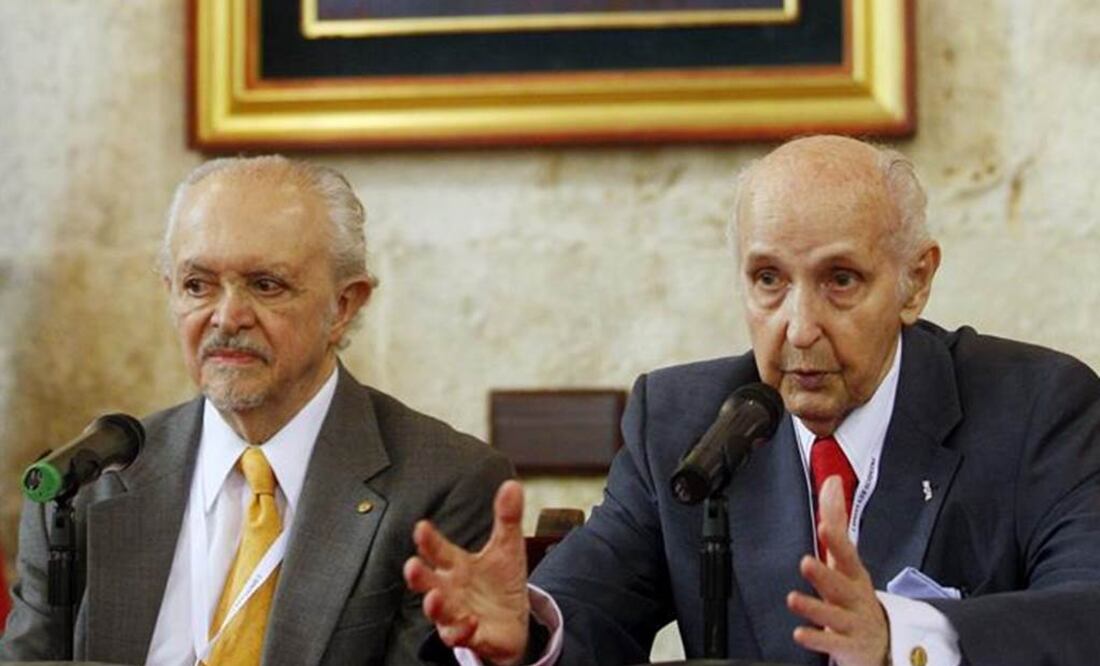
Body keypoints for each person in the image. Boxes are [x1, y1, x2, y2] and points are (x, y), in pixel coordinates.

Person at [405, 135, 1100, 665]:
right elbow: (594, 602)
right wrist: (524, 632)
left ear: (915, 283)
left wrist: (900, 638)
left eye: (841, 280)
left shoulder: (1036, 407)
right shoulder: (683, 420)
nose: (799, 328)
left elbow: (1086, 616)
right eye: (769, 279)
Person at [0, 156, 513, 665]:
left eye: (266, 285)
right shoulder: (86, 487)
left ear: (343, 306)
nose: (227, 316)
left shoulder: (440, 485)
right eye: (197, 285)